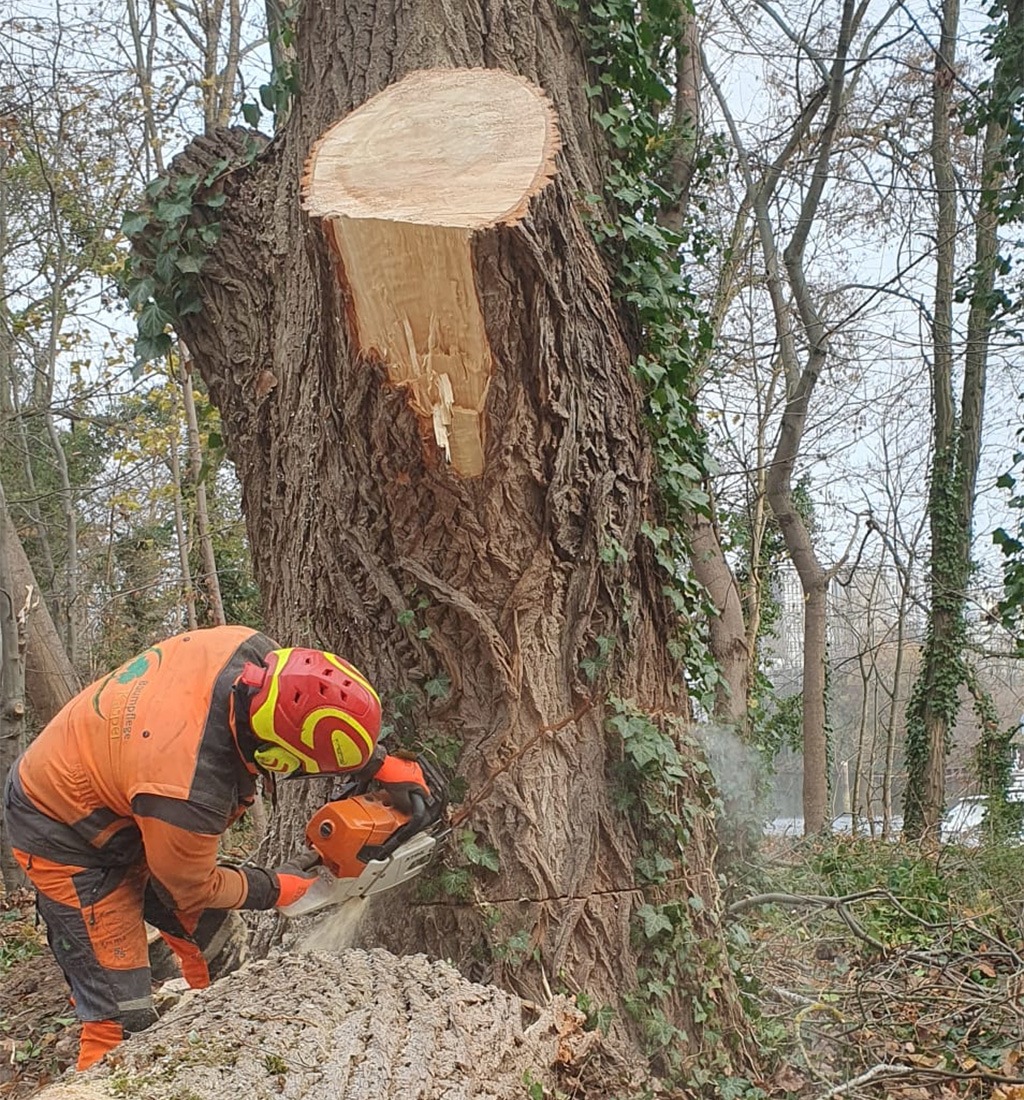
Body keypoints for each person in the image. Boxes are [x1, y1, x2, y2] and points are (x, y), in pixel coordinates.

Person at [2, 624, 433, 1070]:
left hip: (134, 793)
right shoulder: (191, 787)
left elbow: (309, 704)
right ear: (274, 757)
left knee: (221, 955)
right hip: (64, 832)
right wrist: (277, 888)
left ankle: (219, 1065)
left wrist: (377, 762)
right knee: (121, 1017)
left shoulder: (253, 652)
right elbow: (191, 887)